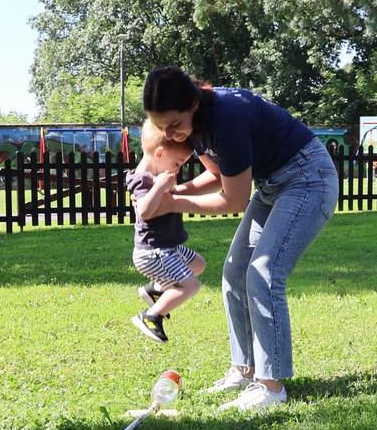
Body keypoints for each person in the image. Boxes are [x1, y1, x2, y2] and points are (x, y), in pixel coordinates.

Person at [142, 66, 338, 411]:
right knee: (234, 272)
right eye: (162, 127)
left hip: (308, 179)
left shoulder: (227, 117)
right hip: (272, 184)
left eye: (174, 124)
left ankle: (271, 388)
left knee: (263, 273)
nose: (170, 135)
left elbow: (233, 199)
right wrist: (174, 192)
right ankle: (245, 370)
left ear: (193, 103)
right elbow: (219, 175)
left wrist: (173, 202)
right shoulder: (195, 127)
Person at [127, 119, 206, 343]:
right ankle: (151, 316)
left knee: (198, 264)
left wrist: (165, 187)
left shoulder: (153, 176)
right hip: (154, 252)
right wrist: (160, 186)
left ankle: (155, 290)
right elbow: (144, 210)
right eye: (178, 163)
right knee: (190, 286)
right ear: (160, 153)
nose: (178, 169)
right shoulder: (143, 180)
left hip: (168, 248)